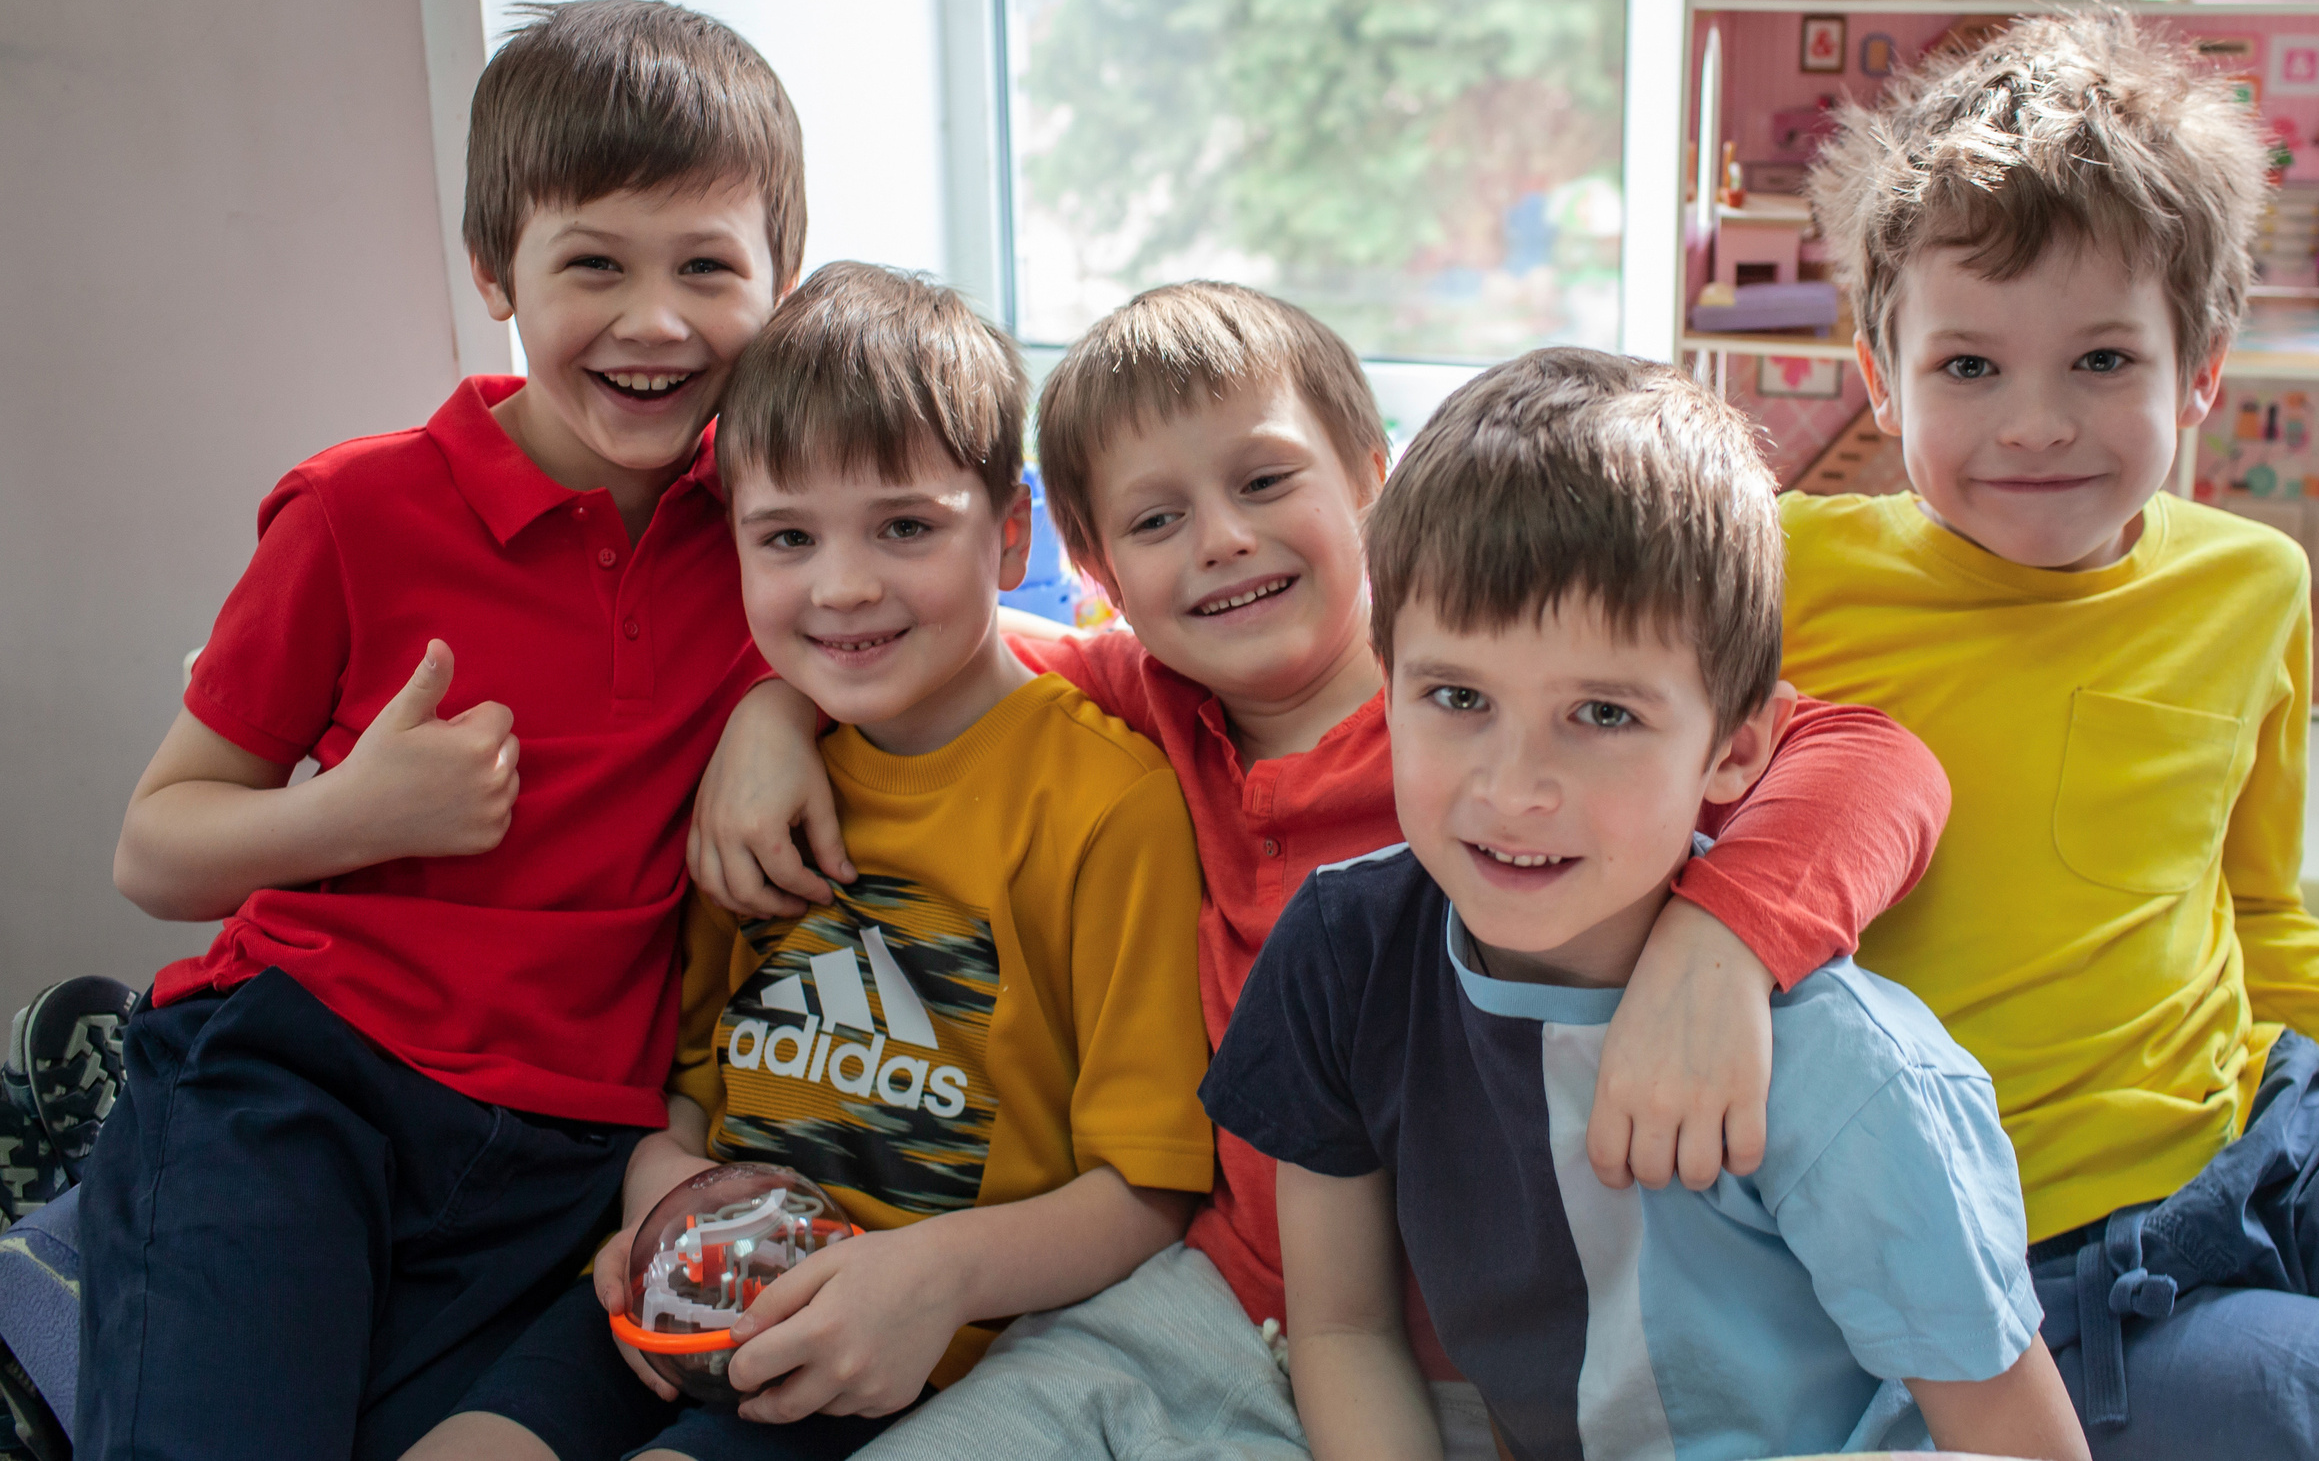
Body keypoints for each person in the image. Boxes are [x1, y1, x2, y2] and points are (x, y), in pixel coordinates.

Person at [698, 283, 1955, 1457]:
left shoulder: (1504, 707)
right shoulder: (1141, 699)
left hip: (1503, 1345)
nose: (1223, 542)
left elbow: (1870, 756)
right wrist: (772, 715)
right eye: (1155, 521)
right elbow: (933, 643)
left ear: (1371, 476)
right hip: (1224, 1291)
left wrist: (1724, 937)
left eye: (1262, 480)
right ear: (1098, 570)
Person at [1793, 6, 2319, 1459]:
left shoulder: (2250, 584)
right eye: (1968, 366)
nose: (2034, 423)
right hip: (2052, 1275)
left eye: (2100, 360)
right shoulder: (1776, 574)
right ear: (1880, 371)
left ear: (2199, 367)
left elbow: (2258, 915)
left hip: (2295, 1142)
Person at [79, 0, 807, 1461]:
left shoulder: (784, 523)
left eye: (707, 267)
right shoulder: (360, 510)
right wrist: (357, 810)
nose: (654, 321)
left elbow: (954, 625)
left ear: (782, 281)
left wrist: (781, 702)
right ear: (497, 271)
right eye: (592, 262)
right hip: (300, 1078)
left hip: (567, 1153)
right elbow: (157, 847)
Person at [1201, 346, 2085, 1461]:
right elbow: (1337, 1323)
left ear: (1735, 749)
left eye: (1604, 715)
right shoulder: (1344, 953)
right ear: (1389, 688)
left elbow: (2023, 1448)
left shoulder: (1843, 1073)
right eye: (1457, 696)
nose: (1513, 787)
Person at [407, 263, 1214, 1461]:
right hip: (688, 1286)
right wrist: (658, 1193)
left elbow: (1145, 1188)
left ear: (1008, 538)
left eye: (904, 527)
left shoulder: (1107, 806)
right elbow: (690, 1081)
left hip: (900, 1348)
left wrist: (931, 1278)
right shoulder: (755, 779)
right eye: (787, 536)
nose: (842, 586)